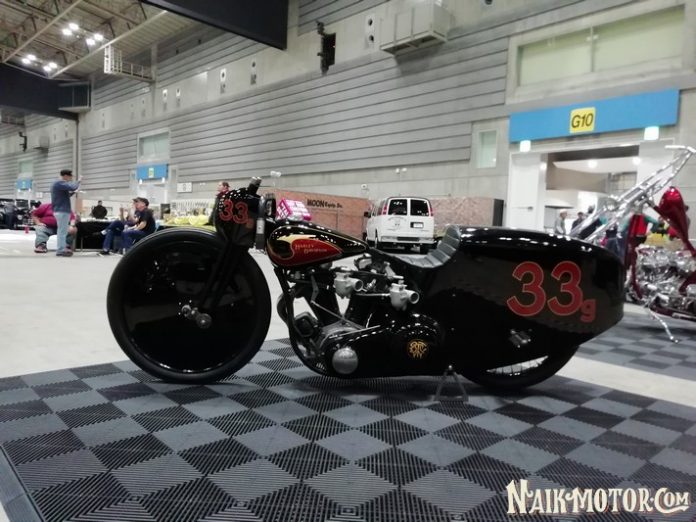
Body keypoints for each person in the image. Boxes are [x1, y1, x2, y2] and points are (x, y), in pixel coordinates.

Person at [50, 169, 81, 257]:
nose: (70, 179)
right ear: (65, 176)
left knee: (62, 231)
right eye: (70, 177)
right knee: (62, 232)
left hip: (60, 210)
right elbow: (73, 187)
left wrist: (73, 193)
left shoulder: (57, 184)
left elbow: (65, 195)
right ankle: (61, 250)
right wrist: (79, 181)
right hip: (62, 211)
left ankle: (61, 249)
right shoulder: (59, 182)